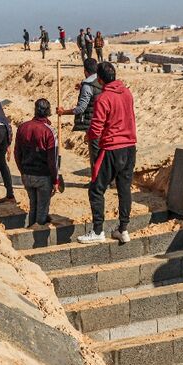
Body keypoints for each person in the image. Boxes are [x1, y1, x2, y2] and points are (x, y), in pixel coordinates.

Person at [77, 62, 136, 244]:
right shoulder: (127, 92)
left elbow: (96, 126)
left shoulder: (103, 98)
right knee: (124, 188)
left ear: (100, 79)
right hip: (130, 146)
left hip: (111, 148)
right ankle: (123, 229)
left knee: (96, 189)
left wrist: (90, 137)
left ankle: (97, 231)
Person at [15, 99, 59, 226]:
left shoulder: (23, 127)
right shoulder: (49, 131)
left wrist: (22, 171)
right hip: (43, 176)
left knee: (33, 206)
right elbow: (53, 159)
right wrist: (55, 180)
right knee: (42, 210)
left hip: (26, 174)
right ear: (49, 111)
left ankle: (31, 228)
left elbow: (17, 152)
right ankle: (37, 235)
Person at [57, 57, 102, 164]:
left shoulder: (87, 86)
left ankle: (97, 180)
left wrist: (63, 112)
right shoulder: (102, 80)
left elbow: (81, 108)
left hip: (93, 124)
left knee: (95, 155)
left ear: (85, 71)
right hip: (104, 122)